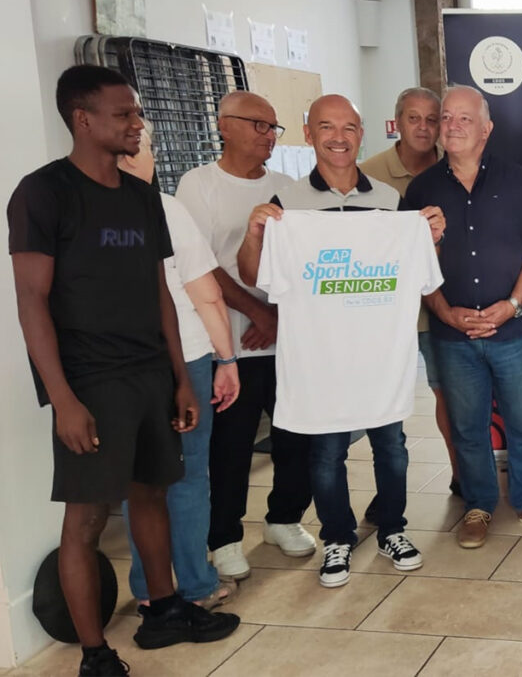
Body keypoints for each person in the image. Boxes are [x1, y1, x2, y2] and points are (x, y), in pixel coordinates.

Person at [7, 65, 238, 677]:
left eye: (137, 112)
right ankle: (95, 654)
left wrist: (180, 377)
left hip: (149, 372)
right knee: (85, 516)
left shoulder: (142, 198)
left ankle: (164, 611)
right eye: (125, 114)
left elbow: (159, 291)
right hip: (89, 380)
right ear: (83, 120)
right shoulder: (43, 193)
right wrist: (62, 399)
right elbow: (31, 300)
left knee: (151, 494)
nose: (138, 123)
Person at [237, 94, 446, 588]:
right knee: (326, 453)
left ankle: (392, 528)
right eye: (327, 127)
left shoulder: (390, 201)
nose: (338, 137)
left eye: (349, 127)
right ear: (308, 134)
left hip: (380, 356)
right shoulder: (287, 207)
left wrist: (429, 239)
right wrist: (254, 234)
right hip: (321, 359)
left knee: (392, 447)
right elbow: (254, 276)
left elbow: (418, 274)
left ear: (361, 134)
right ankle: (336, 536)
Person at [405, 85, 522, 548]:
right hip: (451, 335)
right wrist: (445, 312)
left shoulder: (518, 181)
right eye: (446, 118)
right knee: (467, 427)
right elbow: (410, 262)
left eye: (464, 118)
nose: (452, 126)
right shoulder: (421, 189)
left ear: (486, 128)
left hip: (512, 330)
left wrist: (513, 304)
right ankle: (478, 505)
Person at [176, 91, 315, 582]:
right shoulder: (198, 186)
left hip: (284, 339)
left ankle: (284, 518)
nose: (268, 135)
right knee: (230, 446)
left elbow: (300, 263)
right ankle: (225, 538)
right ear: (224, 125)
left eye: (273, 127)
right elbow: (201, 266)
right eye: (258, 124)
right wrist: (257, 311)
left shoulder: (286, 187)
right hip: (228, 345)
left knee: (296, 436)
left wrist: (276, 315)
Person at [118, 123, 241, 610]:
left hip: (116, 367)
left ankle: (150, 591)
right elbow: (206, 294)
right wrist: (227, 358)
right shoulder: (164, 208)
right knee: (187, 478)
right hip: (183, 358)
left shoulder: (77, 208)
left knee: (138, 483)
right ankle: (195, 586)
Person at [360, 87, 461, 497]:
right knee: (385, 401)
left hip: (441, 304)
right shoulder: (367, 175)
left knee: (448, 395)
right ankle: (389, 493)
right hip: (386, 310)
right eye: (413, 118)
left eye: (432, 119)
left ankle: (461, 475)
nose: (423, 127)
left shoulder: (455, 168)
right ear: (397, 121)